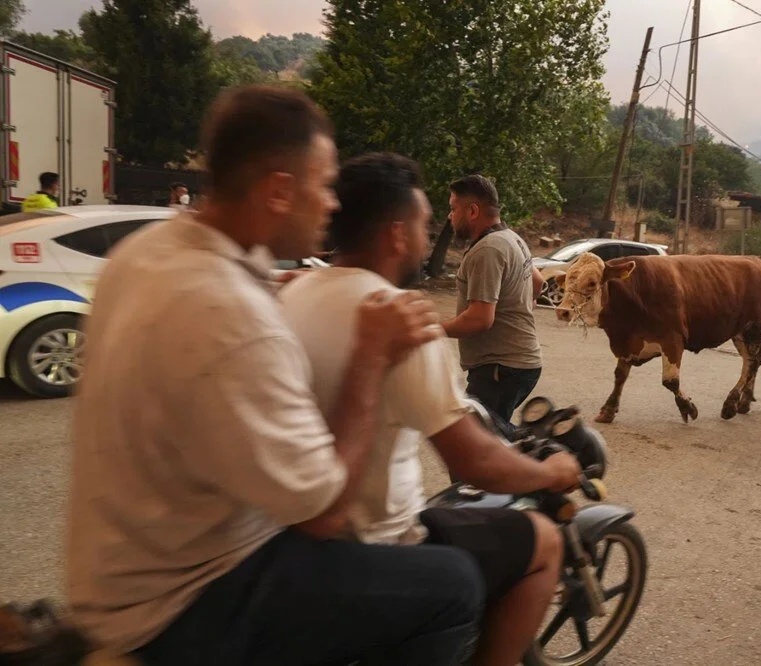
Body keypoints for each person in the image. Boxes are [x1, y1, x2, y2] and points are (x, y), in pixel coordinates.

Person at [66, 85, 484, 666]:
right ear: (280, 192)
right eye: (323, 185)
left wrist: (277, 286)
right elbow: (325, 512)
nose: (333, 205)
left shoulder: (146, 253)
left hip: (112, 578)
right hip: (189, 598)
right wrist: (370, 355)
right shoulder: (231, 316)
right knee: (455, 583)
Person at [280, 152, 581, 666]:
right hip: (377, 541)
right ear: (397, 233)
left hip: (291, 537)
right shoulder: (397, 320)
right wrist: (549, 472)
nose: (432, 231)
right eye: (423, 222)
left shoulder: (292, 293)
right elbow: (474, 462)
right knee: (544, 542)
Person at [441, 175, 545, 425]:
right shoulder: (512, 238)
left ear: (473, 210)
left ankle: (549, 459)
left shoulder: (488, 249)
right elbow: (538, 281)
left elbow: (479, 319)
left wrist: (431, 328)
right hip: (519, 364)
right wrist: (517, 307)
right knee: (493, 440)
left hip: (500, 368)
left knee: (473, 450)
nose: (450, 216)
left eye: (454, 209)